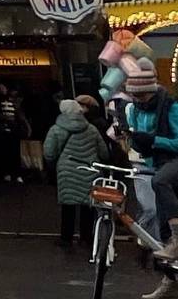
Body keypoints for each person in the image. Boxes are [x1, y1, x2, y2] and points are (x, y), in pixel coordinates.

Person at [117, 53, 178, 271]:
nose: (137, 100)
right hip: (159, 164)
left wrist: (153, 140)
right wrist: (133, 140)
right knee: (161, 233)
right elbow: (141, 147)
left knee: (160, 181)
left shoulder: (173, 108)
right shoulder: (135, 110)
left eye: (141, 96)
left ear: (150, 92)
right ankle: (170, 286)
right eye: (134, 96)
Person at [46, 95, 113, 249]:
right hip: (89, 169)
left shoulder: (56, 129)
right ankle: (86, 237)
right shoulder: (91, 129)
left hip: (66, 170)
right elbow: (104, 153)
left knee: (68, 205)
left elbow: (49, 153)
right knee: (87, 205)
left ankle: (66, 238)